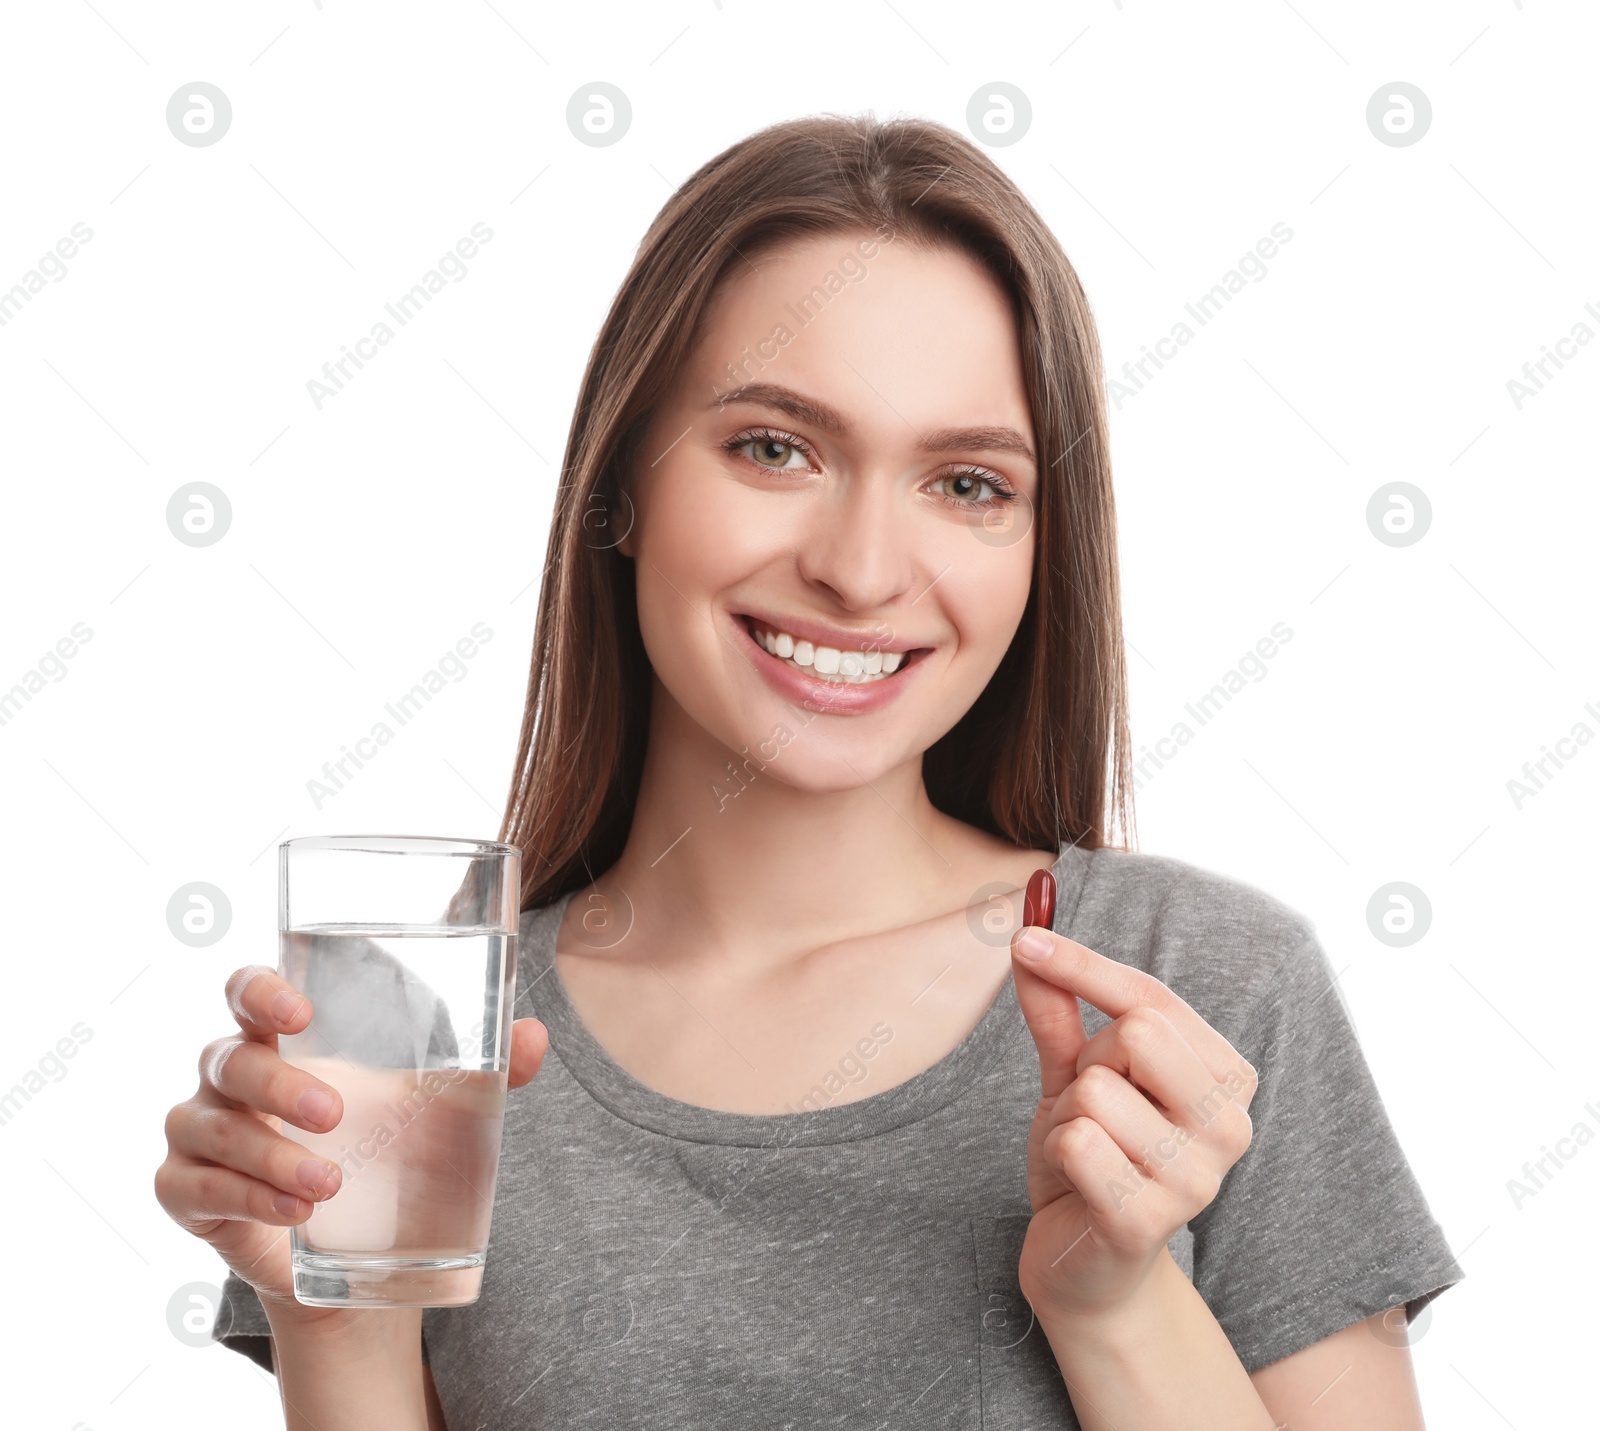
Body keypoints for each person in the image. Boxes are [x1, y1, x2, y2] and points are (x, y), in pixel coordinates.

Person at [155, 112, 1462, 1429]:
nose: (861, 567)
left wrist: (1115, 1301)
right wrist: (335, 1314)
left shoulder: (1202, 990)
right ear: (619, 487)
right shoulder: (419, 1035)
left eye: (965, 483)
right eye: (776, 448)